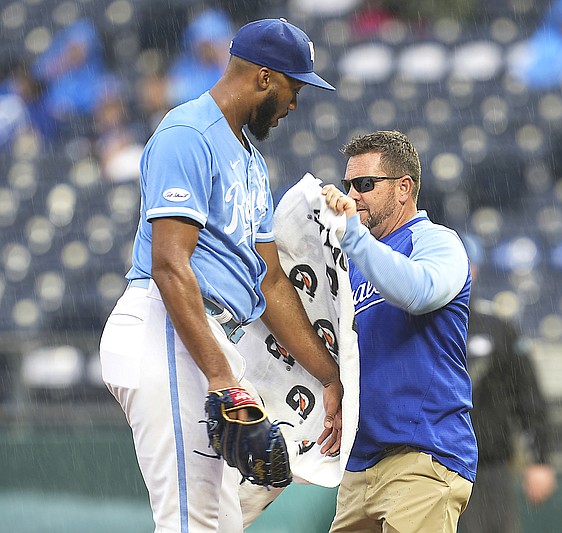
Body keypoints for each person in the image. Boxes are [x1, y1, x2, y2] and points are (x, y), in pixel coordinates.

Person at [98, 19, 343, 533]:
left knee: (227, 516)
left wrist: (329, 376)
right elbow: (170, 264)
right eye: (292, 88)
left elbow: (271, 280)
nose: (294, 104)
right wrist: (220, 378)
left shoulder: (251, 160)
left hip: (206, 335)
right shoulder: (189, 134)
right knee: (193, 521)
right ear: (261, 77)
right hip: (167, 324)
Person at [321, 130, 476, 532]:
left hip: (422, 455)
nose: (353, 196)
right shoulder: (353, 260)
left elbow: (418, 292)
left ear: (404, 188)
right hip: (360, 465)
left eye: (366, 185)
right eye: (349, 185)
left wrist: (352, 235)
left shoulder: (437, 242)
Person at [458, 237, 557, 533]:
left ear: (472, 269)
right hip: (432, 467)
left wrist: (540, 458)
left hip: (490, 467)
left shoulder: (498, 328)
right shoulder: (419, 325)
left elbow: (527, 395)